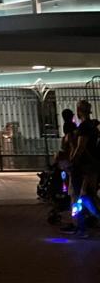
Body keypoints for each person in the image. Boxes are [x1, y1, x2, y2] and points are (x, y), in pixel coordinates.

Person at [70, 100, 100, 238]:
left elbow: (81, 146)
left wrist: (73, 160)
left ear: (78, 110)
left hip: (83, 166)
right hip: (93, 164)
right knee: (90, 194)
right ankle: (88, 223)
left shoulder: (83, 127)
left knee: (80, 195)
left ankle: (82, 228)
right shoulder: (93, 126)